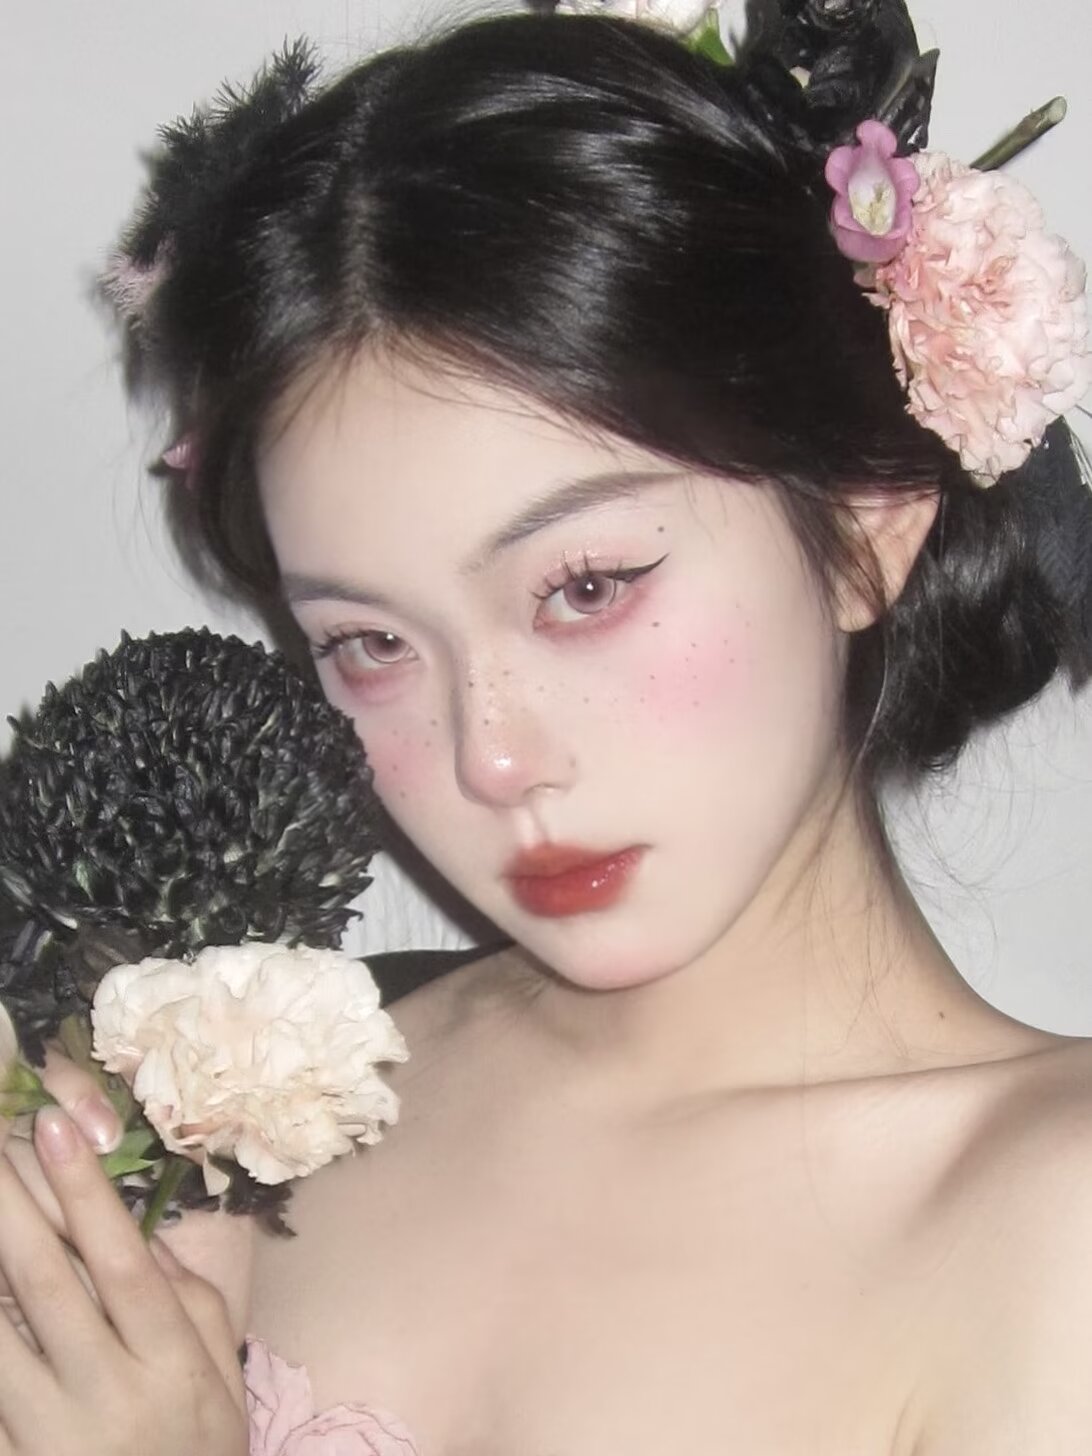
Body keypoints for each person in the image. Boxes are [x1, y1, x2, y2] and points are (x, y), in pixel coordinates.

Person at [2, 2, 1092, 1451]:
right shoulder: (245, 1110)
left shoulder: (1053, 1225)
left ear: (863, 528)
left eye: (585, 588)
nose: (492, 759)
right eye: (372, 643)